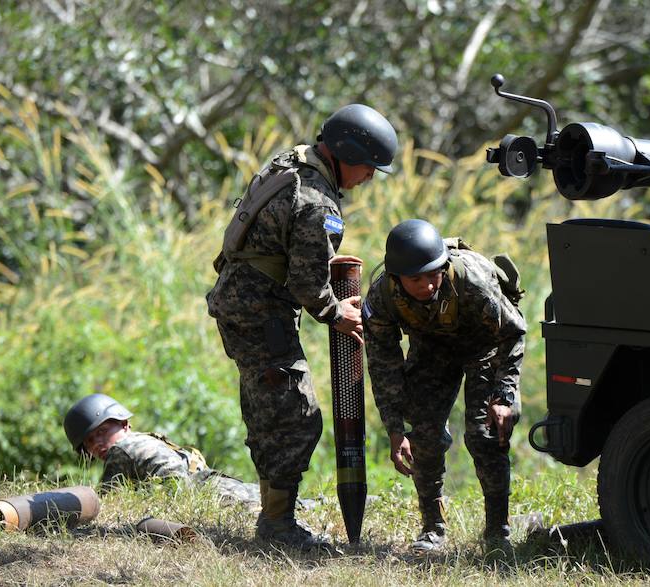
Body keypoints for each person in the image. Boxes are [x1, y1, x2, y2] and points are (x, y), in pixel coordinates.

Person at [205, 104, 397, 549]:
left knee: (268, 409)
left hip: (241, 303)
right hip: (260, 313)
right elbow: (309, 282)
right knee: (296, 417)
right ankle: (277, 526)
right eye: (369, 167)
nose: (369, 177)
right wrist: (337, 313)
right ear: (346, 154)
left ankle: (273, 515)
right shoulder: (318, 203)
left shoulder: (292, 162)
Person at [362, 219, 527, 553]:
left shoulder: (474, 282)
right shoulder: (383, 298)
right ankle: (432, 529)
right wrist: (395, 427)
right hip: (432, 349)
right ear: (396, 278)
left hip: (486, 349)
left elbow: (513, 333)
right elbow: (383, 365)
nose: (426, 286)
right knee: (422, 433)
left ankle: (498, 532)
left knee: (486, 434)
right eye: (415, 279)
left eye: (433, 274)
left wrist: (504, 395)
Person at [63, 393, 261, 505]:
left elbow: (104, 505)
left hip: (216, 498)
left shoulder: (122, 450)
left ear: (124, 424)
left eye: (103, 431)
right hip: (226, 489)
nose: (97, 443)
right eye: (89, 441)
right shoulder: (151, 440)